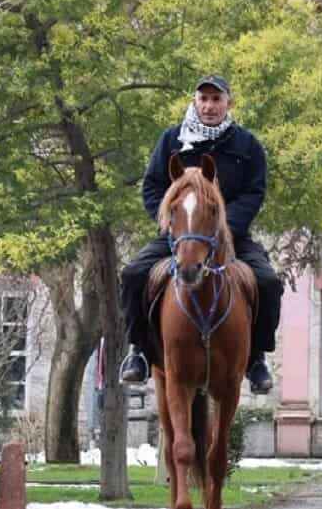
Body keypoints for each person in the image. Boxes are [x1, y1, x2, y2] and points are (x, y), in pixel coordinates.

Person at [118, 75, 282, 394]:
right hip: (178, 235)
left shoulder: (247, 145)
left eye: (216, 100)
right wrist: (171, 222)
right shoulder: (171, 141)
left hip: (229, 235)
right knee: (134, 273)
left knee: (267, 282)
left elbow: (254, 191)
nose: (209, 106)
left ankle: (257, 358)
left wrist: (225, 226)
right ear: (195, 102)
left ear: (228, 104)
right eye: (203, 99)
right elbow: (152, 187)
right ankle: (136, 351)